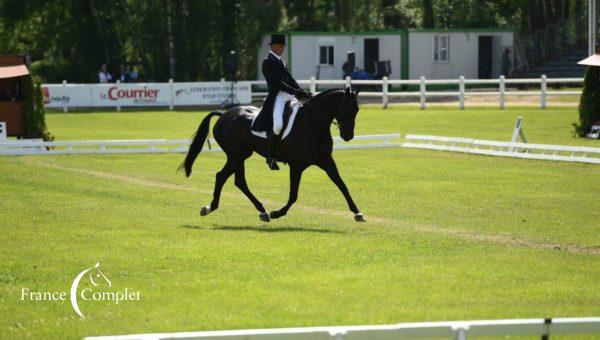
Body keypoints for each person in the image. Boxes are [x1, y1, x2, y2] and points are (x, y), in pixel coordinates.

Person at [252, 34, 312, 170]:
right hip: (277, 97)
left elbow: (290, 79)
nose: (281, 48)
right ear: (272, 46)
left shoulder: (282, 62)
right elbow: (276, 83)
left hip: (289, 95)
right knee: (278, 125)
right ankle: (270, 156)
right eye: (279, 46)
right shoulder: (267, 62)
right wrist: (295, 92)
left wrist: (302, 91)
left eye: (282, 46)